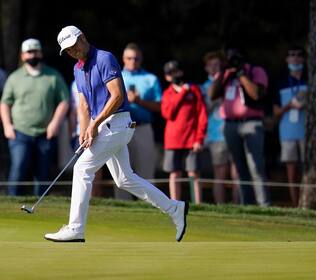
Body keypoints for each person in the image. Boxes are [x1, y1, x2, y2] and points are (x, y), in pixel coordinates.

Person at [44, 25, 188, 242]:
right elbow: (83, 104)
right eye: (68, 50)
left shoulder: (104, 58)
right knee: (124, 179)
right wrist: (84, 130)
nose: (73, 52)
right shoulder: (77, 68)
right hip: (104, 126)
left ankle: (76, 228)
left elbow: (118, 96)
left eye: (74, 46)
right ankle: (174, 208)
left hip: (118, 123)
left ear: (82, 38)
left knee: (82, 168)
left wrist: (95, 124)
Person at [0, 38, 69, 196]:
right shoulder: (14, 78)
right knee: (18, 169)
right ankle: (12, 205)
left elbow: (64, 101)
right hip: (20, 133)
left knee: (43, 174)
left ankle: (40, 207)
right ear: (23, 55)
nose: (33, 55)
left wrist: (55, 124)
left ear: (41, 53)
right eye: (29, 52)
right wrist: (7, 125)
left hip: (46, 133)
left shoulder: (53, 76)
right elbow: (5, 103)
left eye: (35, 51)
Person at [209, 48, 270, 206]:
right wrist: (222, 72)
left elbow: (256, 94)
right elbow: (212, 95)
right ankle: (246, 205)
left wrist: (241, 73)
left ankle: (264, 204)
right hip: (230, 125)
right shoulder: (226, 74)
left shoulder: (255, 71)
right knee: (239, 168)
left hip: (252, 123)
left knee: (256, 167)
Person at [115, 43, 162, 200]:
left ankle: (150, 206)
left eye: (136, 58)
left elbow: (160, 106)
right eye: (129, 58)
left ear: (141, 59)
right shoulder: (116, 76)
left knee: (146, 170)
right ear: (123, 59)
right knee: (121, 172)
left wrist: (139, 101)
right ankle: (123, 206)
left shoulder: (150, 79)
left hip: (143, 128)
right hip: (121, 127)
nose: (132, 61)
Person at [161, 60, 208, 204]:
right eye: (170, 73)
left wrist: (199, 139)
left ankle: (198, 204)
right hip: (173, 140)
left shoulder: (194, 90)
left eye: (176, 71)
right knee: (174, 173)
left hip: (191, 140)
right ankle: (175, 204)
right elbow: (168, 113)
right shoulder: (168, 93)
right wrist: (182, 93)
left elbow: (202, 115)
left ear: (181, 72)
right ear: (167, 77)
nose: (174, 75)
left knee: (193, 172)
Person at [201, 51, 239, 204]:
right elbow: (205, 110)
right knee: (220, 173)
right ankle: (221, 207)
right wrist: (216, 95)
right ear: (206, 68)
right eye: (212, 65)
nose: (215, 68)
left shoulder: (231, 82)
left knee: (236, 171)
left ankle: (238, 206)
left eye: (218, 65)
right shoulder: (204, 87)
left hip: (234, 131)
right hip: (216, 135)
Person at [273, 46, 308, 207]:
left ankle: (306, 202)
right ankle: (295, 205)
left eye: (299, 55)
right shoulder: (280, 83)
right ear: (287, 60)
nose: (295, 58)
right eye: (292, 55)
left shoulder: (310, 79)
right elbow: (276, 112)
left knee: (307, 171)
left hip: (307, 133)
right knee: (292, 172)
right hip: (287, 134)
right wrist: (290, 105)